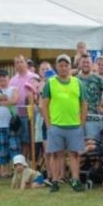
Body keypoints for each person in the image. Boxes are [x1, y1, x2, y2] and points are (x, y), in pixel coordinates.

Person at [40, 54, 87, 191]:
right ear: (56, 67)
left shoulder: (78, 83)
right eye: (61, 65)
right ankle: (55, 181)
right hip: (56, 125)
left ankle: (75, 180)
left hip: (74, 125)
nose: (63, 68)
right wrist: (48, 124)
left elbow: (84, 104)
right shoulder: (50, 83)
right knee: (55, 154)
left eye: (66, 65)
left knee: (74, 154)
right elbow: (44, 105)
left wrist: (82, 123)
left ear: (70, 67)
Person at [77, 54, 103, 144]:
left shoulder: (98, 79)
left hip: (94, 120)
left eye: (88, 62)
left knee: (92, 147)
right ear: (79, 64)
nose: (85, 64)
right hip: (77, 120)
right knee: (77, 148)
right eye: (83, 62)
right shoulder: (75, 80)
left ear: (92, 64)